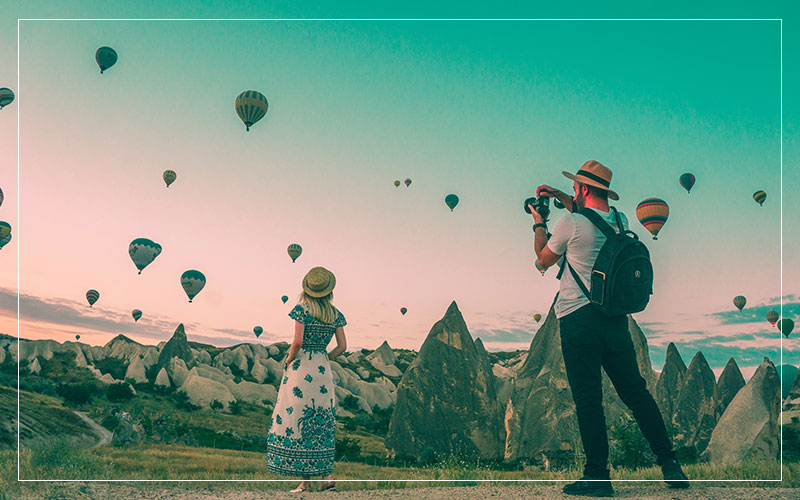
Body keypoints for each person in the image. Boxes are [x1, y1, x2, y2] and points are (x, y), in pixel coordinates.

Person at [530, 160, 689, 497]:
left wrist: (539, 223)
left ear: (583, 189)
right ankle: (670, 464)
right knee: (636, 392)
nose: (572, 191)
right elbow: (590, 215)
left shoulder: (568, 224)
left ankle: (598, 476)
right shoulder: (620, 222)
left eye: (575, 187)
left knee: (589, 399)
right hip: (616, 320)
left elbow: (543, 260)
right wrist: (559, 193)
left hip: (577, 319)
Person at [265, 266, 348, 493]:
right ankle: (328, 477)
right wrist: (325, 358)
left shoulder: (302, 309)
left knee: (300, 418)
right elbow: (343, 347)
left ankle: (306, 482)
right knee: (323, 419)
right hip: (322, 370)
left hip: (302, 369)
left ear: (307, 289)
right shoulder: (336, 314)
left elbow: (297, 342)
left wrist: (288, 360)